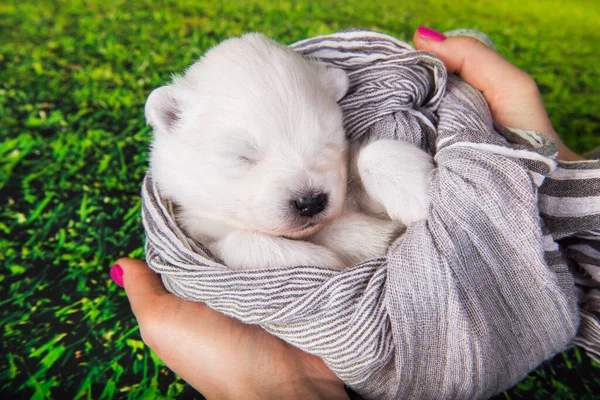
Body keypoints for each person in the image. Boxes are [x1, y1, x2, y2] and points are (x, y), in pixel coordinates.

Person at [109, 26, 582, 399]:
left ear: (332, 94)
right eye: (243, 158)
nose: (308, 191)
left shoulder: (352, 157)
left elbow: (393, 186)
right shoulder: (202, 234)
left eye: (324, 144)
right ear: (171, 121)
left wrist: (380, 164)